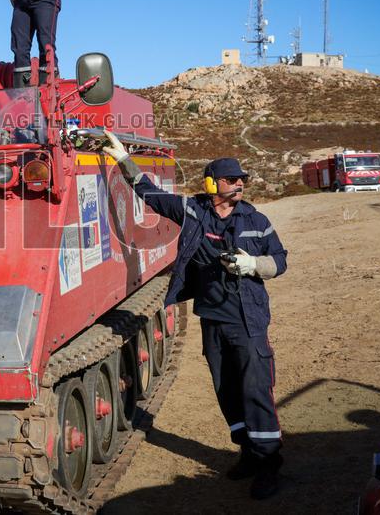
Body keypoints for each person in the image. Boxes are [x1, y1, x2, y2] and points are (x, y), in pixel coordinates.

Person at [102, 130, 288, 499]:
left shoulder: (257, 220)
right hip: (213, 319)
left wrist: (253, 264)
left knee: (255, 389)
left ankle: (270, 462)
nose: (238, 185)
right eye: (231, 180)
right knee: (226, 389)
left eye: (241, 180)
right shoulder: (192, 211)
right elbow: (151, 194)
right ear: (211, 183)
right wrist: (123, 158)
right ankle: (248, 453)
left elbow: (280, 261)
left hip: (248, 320)